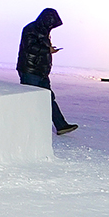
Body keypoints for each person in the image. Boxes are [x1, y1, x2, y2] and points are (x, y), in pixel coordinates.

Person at [18, 7, 78, 135]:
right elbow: (29, 47)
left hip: (40, 71)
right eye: (51, 24)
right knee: (31, 99)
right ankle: (23, 127)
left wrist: (48, 48)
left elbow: (38, 46)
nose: (52, 27)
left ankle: (61, 125)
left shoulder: (42, 30)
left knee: (48, 98)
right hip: (30, 70)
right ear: (46, 20)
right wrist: (48, 50)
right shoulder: (31, 29)